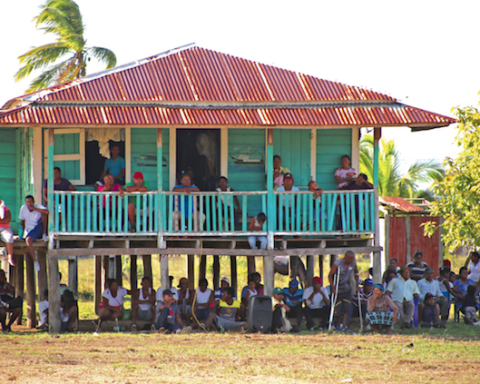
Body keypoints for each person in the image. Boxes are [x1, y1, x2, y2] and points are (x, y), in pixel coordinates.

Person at [328, 251, 359, 332]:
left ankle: (344, 326)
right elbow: (330, 275)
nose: (352, 261)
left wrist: (356, 285)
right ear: (346, 258)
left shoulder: (353, 263)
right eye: (351, 259)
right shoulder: (337, 263)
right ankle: (337, 325)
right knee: (338, 308)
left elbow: (356, 272)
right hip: (338, 288)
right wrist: (333, 287)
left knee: (347, 307)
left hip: (347, 288)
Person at [19, 195, 49, 272]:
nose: (29, 204)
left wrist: (34, 208)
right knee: (28, 240)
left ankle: (44, 234)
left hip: (39, 228)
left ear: (33, 202)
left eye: (30, 202)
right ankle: (36, 261)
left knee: (44, 214)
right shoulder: (23, 208)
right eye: (27, 202)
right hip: (31, 232)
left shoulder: (39, 207)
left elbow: (47, 212)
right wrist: (20, 234)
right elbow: (22, 221)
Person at [0, 199, 15, 266]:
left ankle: (10, 257)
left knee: (9, 236)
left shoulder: (5, 208)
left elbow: (7, 220)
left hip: (4, 228)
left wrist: (2, 220)